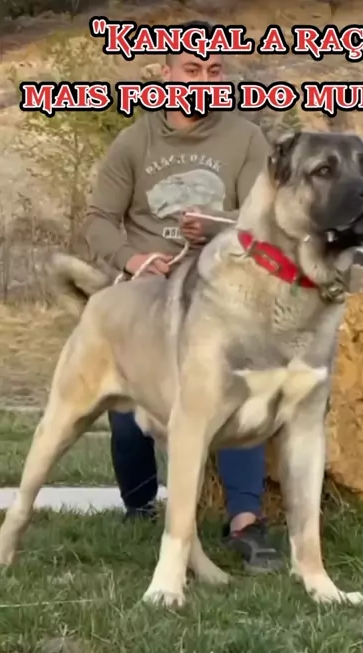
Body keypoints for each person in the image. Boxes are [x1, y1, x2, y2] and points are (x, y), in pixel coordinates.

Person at [83, 19, 281, 573]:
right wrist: (133, 260)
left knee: (236, 387)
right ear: (166, 74)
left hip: (222, 287)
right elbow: (99, 220)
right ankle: (140, 507)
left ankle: (245, 521)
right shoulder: (135, 141)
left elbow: (265, 218)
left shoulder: (246, 138)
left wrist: (217, 227)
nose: (205, 81)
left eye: (215, 71)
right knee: (129, 401)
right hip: (151, 290)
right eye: (192, 69)